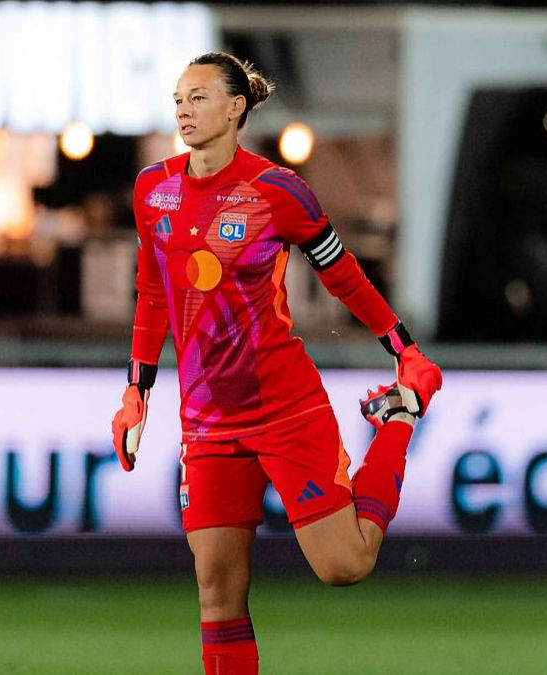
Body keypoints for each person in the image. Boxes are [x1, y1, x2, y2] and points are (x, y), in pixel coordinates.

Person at [110, 52, 444, 674]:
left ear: (236, 108)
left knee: (345, 566)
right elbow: (154, 293)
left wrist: (404, 349)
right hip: (207, 420)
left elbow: (343, 277)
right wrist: (138, 391)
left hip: (284, 407)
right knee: (216, 593)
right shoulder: (152, 190)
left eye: (200, 97)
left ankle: (399, 418)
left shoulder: (276, 191)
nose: (184, 108)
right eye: (179, 98)